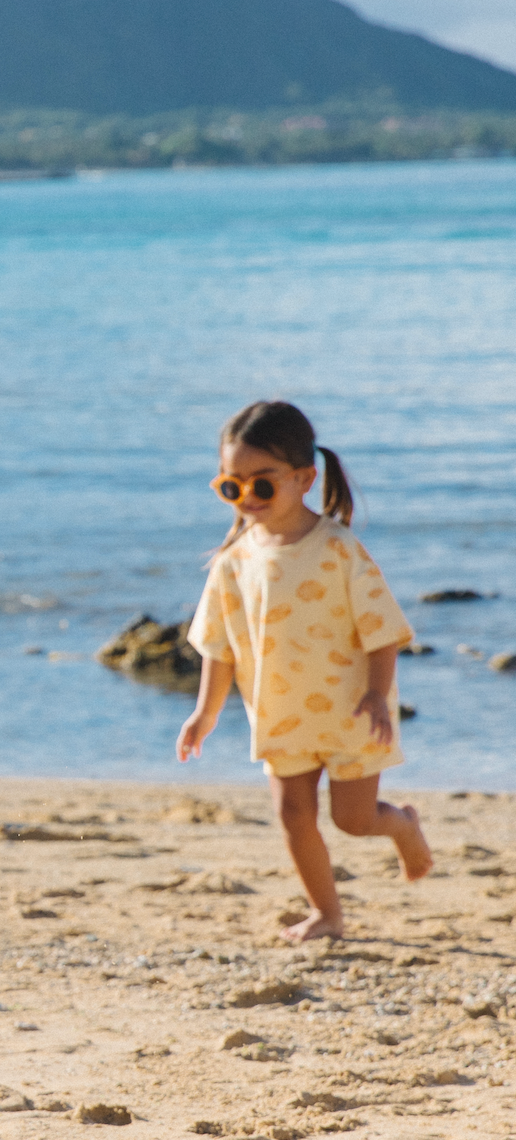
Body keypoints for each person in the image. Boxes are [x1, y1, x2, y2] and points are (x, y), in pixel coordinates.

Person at [178, 400, 432, 944]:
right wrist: (205, 713)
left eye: (262, 485)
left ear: (304, 478)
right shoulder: (233, 561)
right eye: (232, 487)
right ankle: (328, 914)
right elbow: (219, 647)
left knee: (353, 820)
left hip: (350, 710)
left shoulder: (339, 549)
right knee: (294, 815)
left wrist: (377, 696)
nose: (247, 499)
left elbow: (382, 631)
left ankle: (404, 825)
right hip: (279, 712)